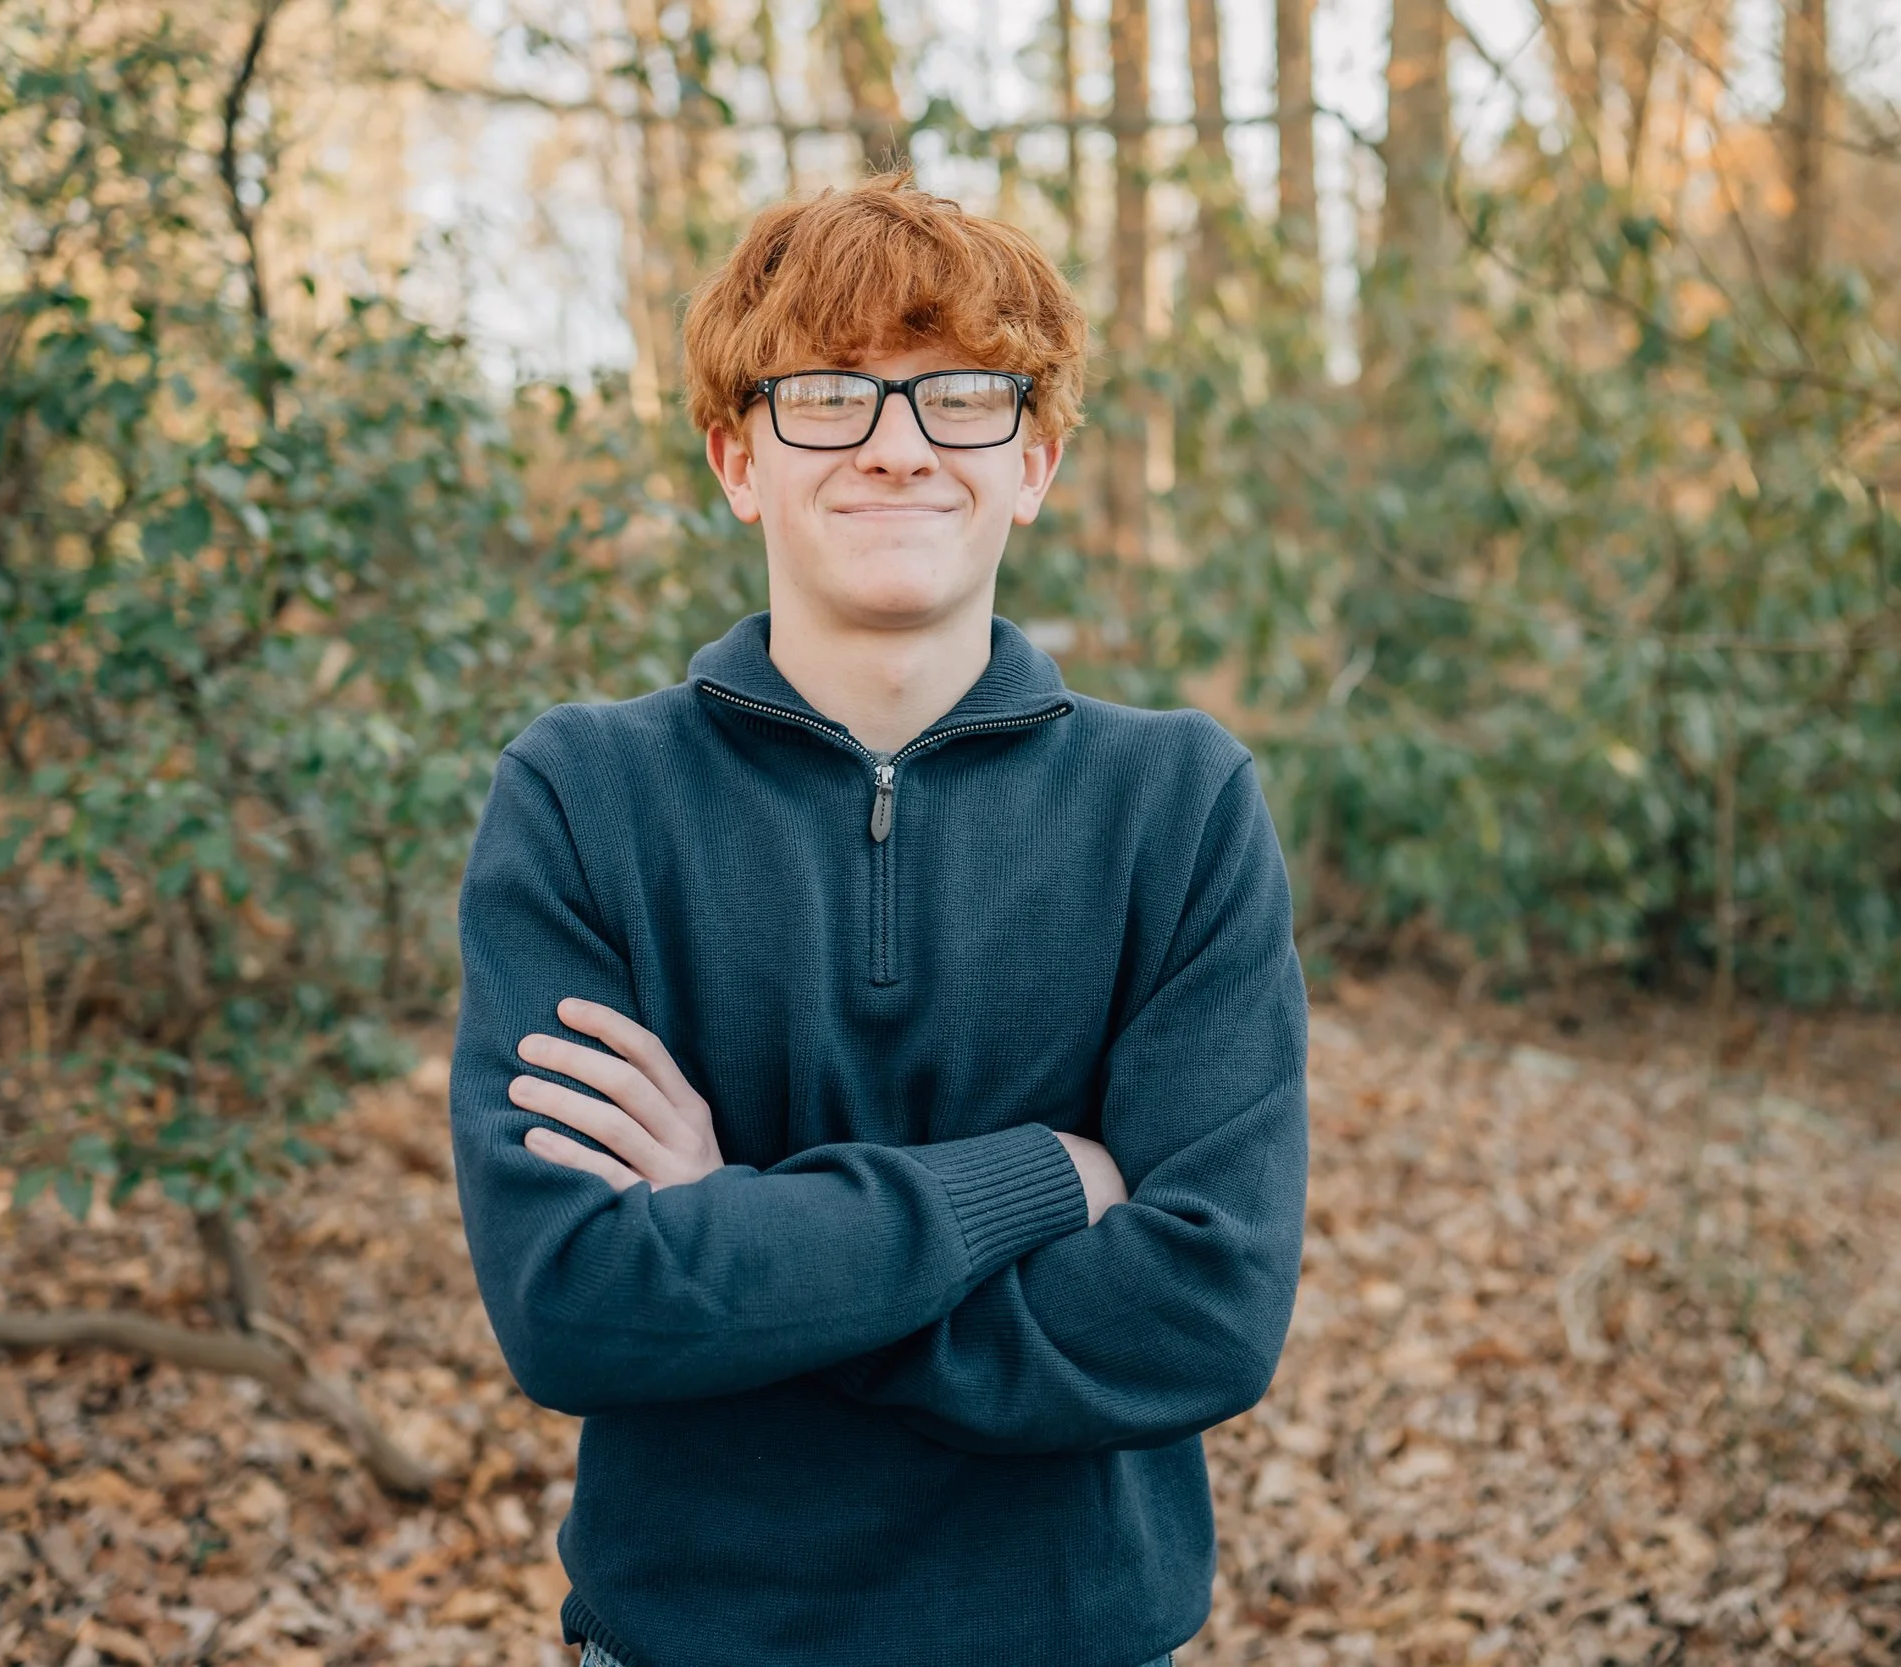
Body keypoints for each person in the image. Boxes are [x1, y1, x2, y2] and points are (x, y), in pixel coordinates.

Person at [448, 170, 1310, 1667]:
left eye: (963, 396)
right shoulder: (584, 796)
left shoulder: (1176, 805)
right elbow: (575, 1306)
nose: (900, 446)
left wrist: (733, 1227)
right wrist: (1036, 1182)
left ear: (1031, 462)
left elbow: (1207, 1309)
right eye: (829, 395)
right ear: (737, 458)